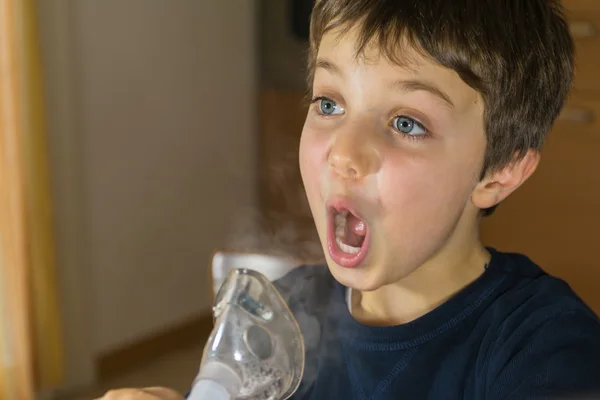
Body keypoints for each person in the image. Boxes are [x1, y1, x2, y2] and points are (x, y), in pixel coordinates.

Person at [99, 0, 600, 399]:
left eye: (407, 123)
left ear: (501, 170)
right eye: (329, 103)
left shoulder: (545, 348)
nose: (343, 151)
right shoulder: (284, 311)